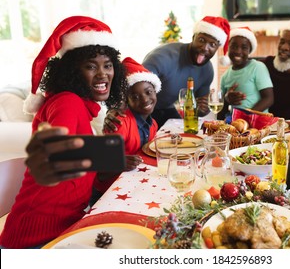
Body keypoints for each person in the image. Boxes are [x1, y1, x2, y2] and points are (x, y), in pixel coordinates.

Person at [0, 16, 127, 249]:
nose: (102, 74)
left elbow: (78, 158)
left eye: (107, 65)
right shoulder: (67, 102)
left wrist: (111, 158)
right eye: (90, 66)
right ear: (71, 71)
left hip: (65, 225)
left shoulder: (81, 105)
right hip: (35, 236)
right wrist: (111, 154)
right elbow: (60, 148)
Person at [88, 57, 161, 205]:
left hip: (133, 186)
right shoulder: (118, 124)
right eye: (135, 96)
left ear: (156, 91)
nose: (145, 99)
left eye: (148, 92)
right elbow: (100, 172)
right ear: (126, 101)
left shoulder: (153, 124)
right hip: (107, 193)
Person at [142, 16, 230, 128]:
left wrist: (204, 108)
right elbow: (135, 84)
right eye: (201, 40)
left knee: (183, 135)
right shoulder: (164, 57)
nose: (205, 48)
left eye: (212, 45)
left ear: (217, 48)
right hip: (142, 108)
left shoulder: (207, 70)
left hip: (166, 108)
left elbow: (198, 111)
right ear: (193, 37)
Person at [217, 26, 274, 120]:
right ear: (228, 48)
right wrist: (226, 99)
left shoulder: (258, 67)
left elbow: (268, 98)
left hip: (258, 120)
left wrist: (247, 117)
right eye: (234, 46)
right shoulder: (225, 76)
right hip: (236, 121)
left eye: (244, 47)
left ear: (249, 51)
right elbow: (222, 108)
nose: (238, 51)